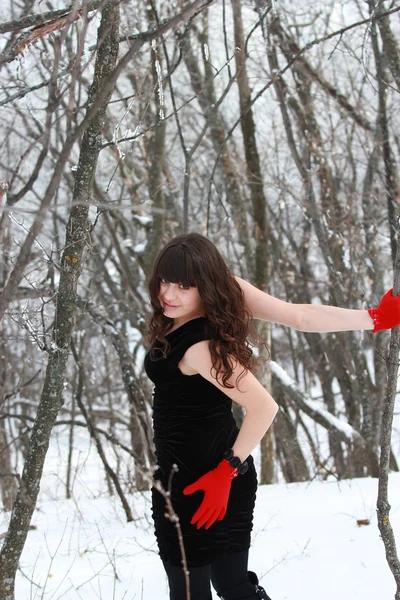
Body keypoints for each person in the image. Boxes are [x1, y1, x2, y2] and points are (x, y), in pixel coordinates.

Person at [144, 232, 400, 600]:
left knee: (199, 592)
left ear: (205, 285)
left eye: (184, 285)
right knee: (231, 588)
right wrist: (372, 318)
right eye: (164, 281)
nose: (168, 293)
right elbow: (299, 314)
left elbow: (265, 407)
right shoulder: (218, 293)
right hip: (199, 479)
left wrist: (376, 318)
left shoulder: (202, 348)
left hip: (208, 484)